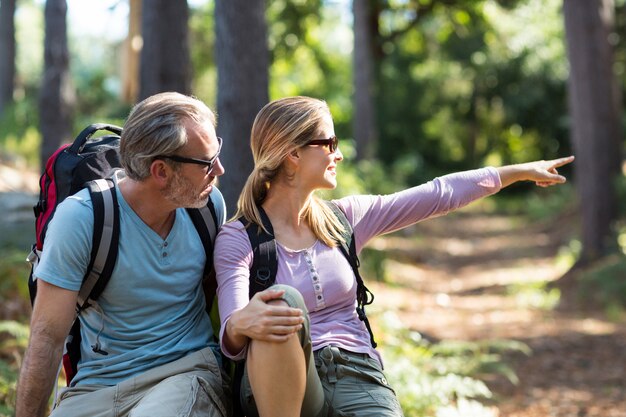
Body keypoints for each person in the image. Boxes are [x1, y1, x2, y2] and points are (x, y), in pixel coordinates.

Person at [214, 95, 575, 417]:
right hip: (280, 388)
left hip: (357, 374)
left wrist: (517, 172)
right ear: (293, 154)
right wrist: (240, 323)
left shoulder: (346, 219)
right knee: (281, 302)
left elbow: (438, 194)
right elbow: (232, 337)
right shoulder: (239, 238)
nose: (338, 154)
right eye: (330, 142)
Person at [16, 92, 231, 417]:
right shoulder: (83, 219)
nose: (220, 169)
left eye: (217, 151)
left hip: (186, 372)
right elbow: (47, 338)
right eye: (206, 163)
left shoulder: (208, 207)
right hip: (98, 386)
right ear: (161, 171)